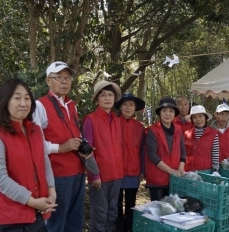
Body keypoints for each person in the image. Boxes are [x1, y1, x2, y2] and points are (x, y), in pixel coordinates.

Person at [0, 78, 57, 232]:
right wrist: (32, 201)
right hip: (11, 218)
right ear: (5, 101)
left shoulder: (35, 131)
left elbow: (45, 163)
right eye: (17, 98)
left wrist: (52, 190)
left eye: (27, 98)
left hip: (38, 214)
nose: (23, 103)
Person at [33, 61, 92, 232]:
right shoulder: (40, 105)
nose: (64, 81)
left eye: (67, 77)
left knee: (75, 222)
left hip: (78, 172)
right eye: (58, 77)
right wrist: (59, 148)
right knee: (55, 224)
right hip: (57, 175)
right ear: (48, 81)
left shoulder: (71, 105)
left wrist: (82, 147)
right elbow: (33, 143)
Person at [83, 80, 123, 232]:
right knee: (100, 212)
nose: (107, 98)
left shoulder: (116, 120)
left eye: (110, 95)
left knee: (112, 211)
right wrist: (94, 175)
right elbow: (87, 151)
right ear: (96, 99)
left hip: (117, 174)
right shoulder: (90, 120)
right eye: (103, 95)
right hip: (100, 175)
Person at [113, 93, 145, 232]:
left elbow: (143, 150)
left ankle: (130, 227)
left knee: (131, 203)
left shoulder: (139, 127)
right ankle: (119, 227)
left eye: (131, 105)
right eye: (125, 104)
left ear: (135, 108)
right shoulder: (113, 122)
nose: (128, 107)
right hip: (116, 170)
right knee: (117, 202)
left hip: (133, 170)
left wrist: (143, 170)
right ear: (120, 106)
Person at [145, 96, 186, 201]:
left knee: (173, 211)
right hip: (157, 179)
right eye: (164, 111)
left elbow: (183, 151)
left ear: (174, 114)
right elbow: (152, 155)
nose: (168, 114)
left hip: (174, 179)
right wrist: (171, 171)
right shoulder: (152, 130)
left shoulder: (178, 129)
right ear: (159, 113)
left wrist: (180, 169)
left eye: (171, 111)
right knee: (158, 212)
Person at [184, 105, 219, 171]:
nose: (198, 119)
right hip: (189, 171)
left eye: (200, 116)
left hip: (205, 171)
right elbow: (183, 153)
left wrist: (215, 171)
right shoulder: (187, 133)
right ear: (192, 120)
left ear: (205, 118)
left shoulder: (213, 134)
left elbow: (215, 155)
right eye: (195, 117)